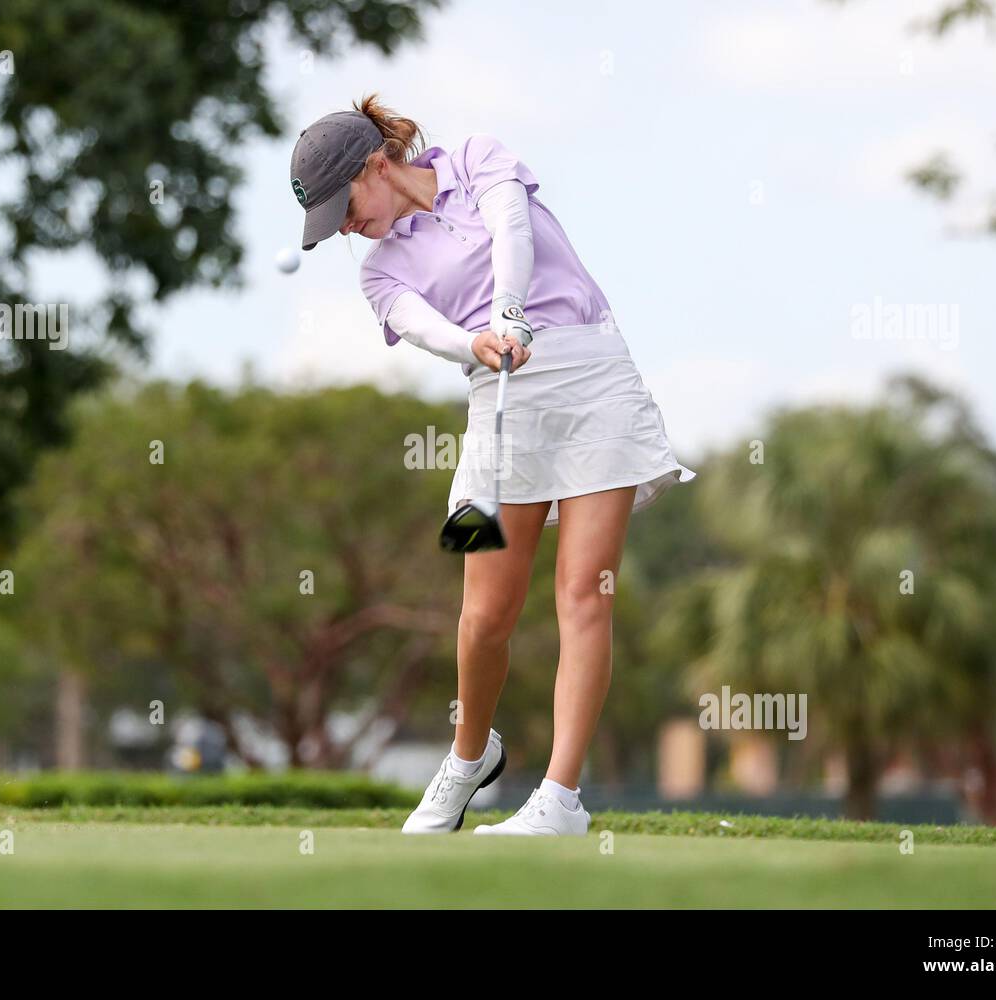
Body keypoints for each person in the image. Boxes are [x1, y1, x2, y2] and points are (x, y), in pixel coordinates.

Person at [289, 94, 696, 835]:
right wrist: (478, 341)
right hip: (498, 400)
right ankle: (469, 758)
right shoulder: (378, 273)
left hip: (593, 378)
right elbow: (422, 325)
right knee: (483, 617)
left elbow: (513, 225)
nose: (343, 228)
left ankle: (560, 799)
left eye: (340, 206)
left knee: (585, 594)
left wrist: (509, 305)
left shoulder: (477, 156)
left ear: (375, 165)